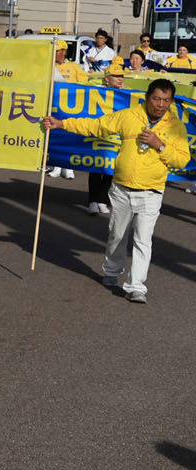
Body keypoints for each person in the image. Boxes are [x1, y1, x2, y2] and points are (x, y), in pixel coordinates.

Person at [42, 78, 191, 302]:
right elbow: (97, 125)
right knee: (117, 236)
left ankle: (136, 287)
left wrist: (159, 145)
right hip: (121, 189)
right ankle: (111, 271)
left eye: (166, 100)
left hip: (151, 191)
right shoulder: (128, 115)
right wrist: (62, 123)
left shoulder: (176, 126)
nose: (160, 105)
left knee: (143, 240)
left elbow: (182, 159)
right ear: (147, 98)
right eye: (156, 99)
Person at [80, 62, 126, 215]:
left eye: (121, 76)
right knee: (95, 167)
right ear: (107, 78)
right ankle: (92, 201)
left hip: (115, 135)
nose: (119, 79)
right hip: (98, 132)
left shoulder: (126, 93)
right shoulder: (96, 91)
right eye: (116, 76)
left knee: (110, 168)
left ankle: (102, 200)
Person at [48, 40, 88, 179]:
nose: (55, 53)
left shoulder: (74, 67)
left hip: (72, 106)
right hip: (54, 105)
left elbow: (85, 83)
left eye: (58, 50)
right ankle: (57, 166)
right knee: (56, 136)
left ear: (64, 51)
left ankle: (69, 168)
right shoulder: (49, 66)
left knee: (69, 136)